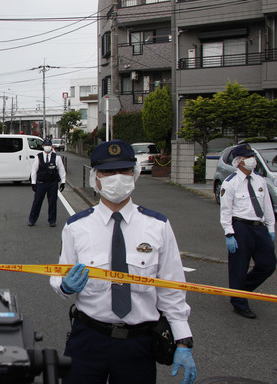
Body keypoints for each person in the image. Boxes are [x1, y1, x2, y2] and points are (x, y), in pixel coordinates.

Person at [50, 139, 196, 384]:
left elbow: (172, 286)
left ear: (135, 175)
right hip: (89, 337)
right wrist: (65, 286)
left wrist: (182, 339)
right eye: (108, 172)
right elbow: (59, 275)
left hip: (139, 343)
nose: (117, 178)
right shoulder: (77, 227)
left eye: (124, 171)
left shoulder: (158, 226)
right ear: (96, 178)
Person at [219, 143, 276, 319]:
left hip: (259, 228)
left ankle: (241, 290)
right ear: (239, 161)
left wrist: (271, 229)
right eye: (248, 157)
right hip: (241, 227)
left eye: (252, 157)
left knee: (268, 264)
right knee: (238, 267)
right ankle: (239, 303)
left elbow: (267, 207)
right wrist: (229, 234)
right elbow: (226, 211)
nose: (252, 160)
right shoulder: (230, 184)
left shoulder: (259, 180)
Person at [28, 138, 66, 227]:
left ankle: (52, 220)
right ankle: (32, 219)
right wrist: (33, 182)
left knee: (52, 202)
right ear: (43, 146)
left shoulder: (57, 157)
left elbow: (61, 169)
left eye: (49, 145)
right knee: (37, 201)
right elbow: (34, 170)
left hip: (52, 183)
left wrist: (63, 182)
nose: (47, 147)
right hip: (41, 183)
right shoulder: (38, 157)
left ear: (51, 147)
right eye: (46, 145)